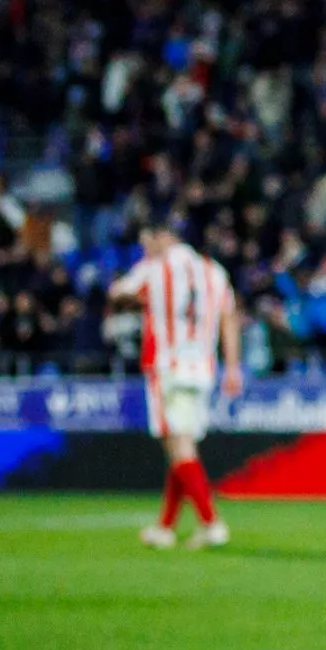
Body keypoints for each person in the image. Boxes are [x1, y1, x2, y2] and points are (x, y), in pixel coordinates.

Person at [108, 220, 242, 549]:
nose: (144, 248)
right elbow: (229, 318)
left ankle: (211, 523)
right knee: (182, 449)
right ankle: (165, 528)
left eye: (146, 242)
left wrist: (137, 289)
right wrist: (233, 367)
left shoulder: (155, 269)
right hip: (203, 370)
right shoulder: (215, 271)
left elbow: (117, 292)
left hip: (169, 367)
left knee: (180, 447)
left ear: (161, 237)